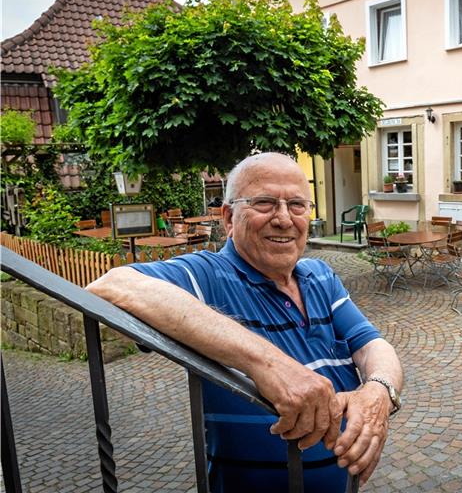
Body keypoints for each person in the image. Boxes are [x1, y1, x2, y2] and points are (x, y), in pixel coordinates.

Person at [87, 153, 403, 492]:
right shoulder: (211, 276)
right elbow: (110, 286)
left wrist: (379, 391)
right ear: (228, 217)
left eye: (297, 205)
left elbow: (372, 345)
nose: (284, 219)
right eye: (264, 203)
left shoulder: (320, 275)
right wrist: (270, 364)